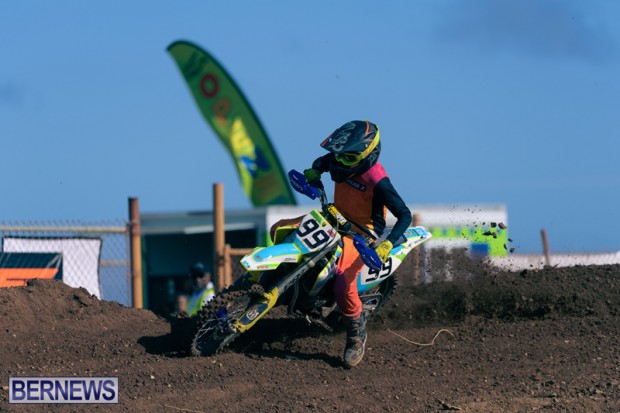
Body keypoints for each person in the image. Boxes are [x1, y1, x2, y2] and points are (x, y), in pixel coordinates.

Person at [303, 120, 412, 368]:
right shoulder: (339, 158)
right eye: (338, 155)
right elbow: (322, 162)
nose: (340, 162)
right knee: (281, 228)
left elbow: (405, 214)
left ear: (368, 154)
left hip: (362, 233)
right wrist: (315, 171)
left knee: (343, 281)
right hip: (334, 219)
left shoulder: (378, 180)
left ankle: (356, 332)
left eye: (348, 157)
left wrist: (386, 244)